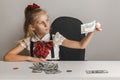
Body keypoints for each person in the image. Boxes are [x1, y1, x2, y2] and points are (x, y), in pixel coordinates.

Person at [3, 3, 102, 62]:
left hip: (54, 74)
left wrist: (91, 32)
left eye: (47, 20)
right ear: (32, 27)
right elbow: (7, 57)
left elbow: (81, 45)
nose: (47, 25)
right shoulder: (29, 41)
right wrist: (30, 58)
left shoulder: (56, 38)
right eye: (41, 23)